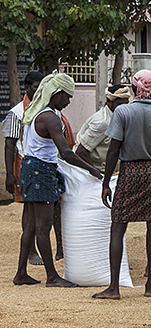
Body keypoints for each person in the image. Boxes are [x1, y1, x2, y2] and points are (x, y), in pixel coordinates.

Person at [93, 70, 151, 299]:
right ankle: (149, 285)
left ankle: (114, 288)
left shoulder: (122, 112)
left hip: (129, 172)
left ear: (132, 89)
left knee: (118, 226)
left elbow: (114, 150)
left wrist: (105, 181)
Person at [14, 71, 102, 287]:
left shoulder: (36, 112)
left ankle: (21, 273)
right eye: (67, 96)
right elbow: (66, 152)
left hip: (30, 168)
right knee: (44, 226)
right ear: (56, 93)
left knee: (32, 226)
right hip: (40, 171)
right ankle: (52, 277)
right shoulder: (50, 118)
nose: (69, 101)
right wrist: (92, 169)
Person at [4, 71, 46, 266]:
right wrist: (10, 174)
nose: (38, 91)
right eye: (36, 87)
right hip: (24, 161)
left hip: (42, 162)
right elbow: (10, 145)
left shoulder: (44, 108)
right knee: (29, 208)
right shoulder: (16, 112)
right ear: (27, 87)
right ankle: (31, 251)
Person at [74, 84, 132, 172]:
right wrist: (95, 173)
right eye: (120, 105)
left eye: (126, 105)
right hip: (91, 172)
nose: (123, 109)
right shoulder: (102, 122)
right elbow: (81, 152)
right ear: (109, 101)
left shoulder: (119, 118)